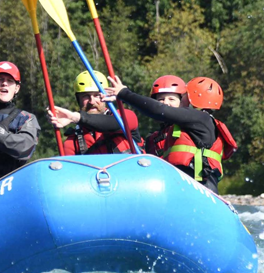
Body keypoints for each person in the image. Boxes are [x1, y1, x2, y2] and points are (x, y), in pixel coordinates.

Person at [104, 75, 237, 194]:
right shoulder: (176, 130)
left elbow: (160, 110)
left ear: (193, 98)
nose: (182, 99)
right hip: (180, 189)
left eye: (184, 95)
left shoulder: (202, 119)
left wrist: (124, 93)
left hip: (200, 190)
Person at [48, 70, 142, 155]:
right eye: (86, 96)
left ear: (106, 95)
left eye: (96, 95)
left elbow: (115, 123)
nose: (92, 101)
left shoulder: (126, 116)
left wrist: (76, 117)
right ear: (78, 100)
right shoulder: (72, 142)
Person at [144, 75, 187, 155]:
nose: (166, 103)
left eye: (171, 99)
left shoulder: (191, 129)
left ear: (182, 103)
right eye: (161, 99)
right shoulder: (152, 139)